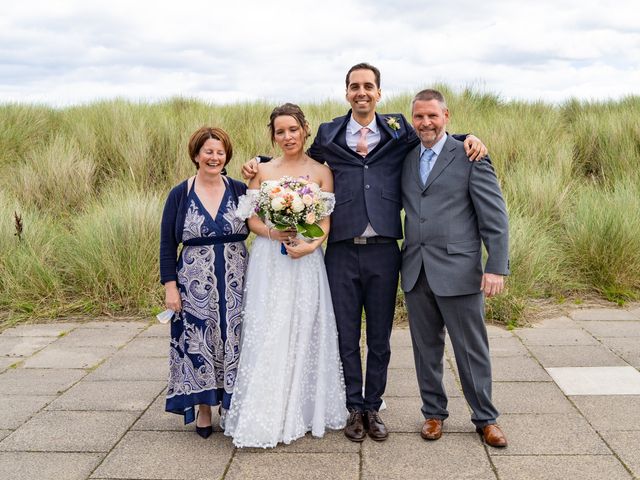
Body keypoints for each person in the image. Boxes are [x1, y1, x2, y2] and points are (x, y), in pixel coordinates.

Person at [242, 63, 487, 442]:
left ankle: (373, 406)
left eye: (368, 86)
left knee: (379, 337)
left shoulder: (397, 128)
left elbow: (432, 135)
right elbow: (294, 157)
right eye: (355, 86)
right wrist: (258, 161)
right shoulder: (328, 132)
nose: (362, 92)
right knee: (344, 335)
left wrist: (468, 136)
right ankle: (353, 407)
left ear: (378, 93)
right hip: (340, 250)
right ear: (346, 93)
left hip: (385, 250)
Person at [224, 103, 348, 448]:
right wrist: (271, 233)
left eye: (293, 129)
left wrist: (310, 246)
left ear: (305, 129)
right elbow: (250, 220)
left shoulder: (323, 172)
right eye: (280, 131)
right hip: (270, 259)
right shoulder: (261, 171)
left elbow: (324, 222)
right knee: (269, 325)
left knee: (305, 324)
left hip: (306, 258)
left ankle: (305, 409)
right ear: (273, 136)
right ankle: (266, 409)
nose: (288, 136)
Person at [401, 89, 509, 447]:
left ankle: (485, 418)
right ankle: (433, 414)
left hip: (460, 270)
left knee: (471, 349)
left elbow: (494, 217)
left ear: (446, 115)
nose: (426, 122)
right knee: (425, 349)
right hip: (416, 269)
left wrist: (496, 266)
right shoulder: (405, 156)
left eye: (432, 115)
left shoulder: (469, 155)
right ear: (412, 119)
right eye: (419, 116)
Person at [159, 126, 249, 438]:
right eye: (208, 151)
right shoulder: (180, 194)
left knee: (234, 338)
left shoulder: (239, 189)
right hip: (194, 283)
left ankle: (231, 404)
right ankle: (204, 408)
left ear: (227, 156)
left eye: (220, 152)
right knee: (200, 340)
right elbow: (167, 245)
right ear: (196, 155)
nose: (214, 157)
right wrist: (170, 287)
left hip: (237, 279)